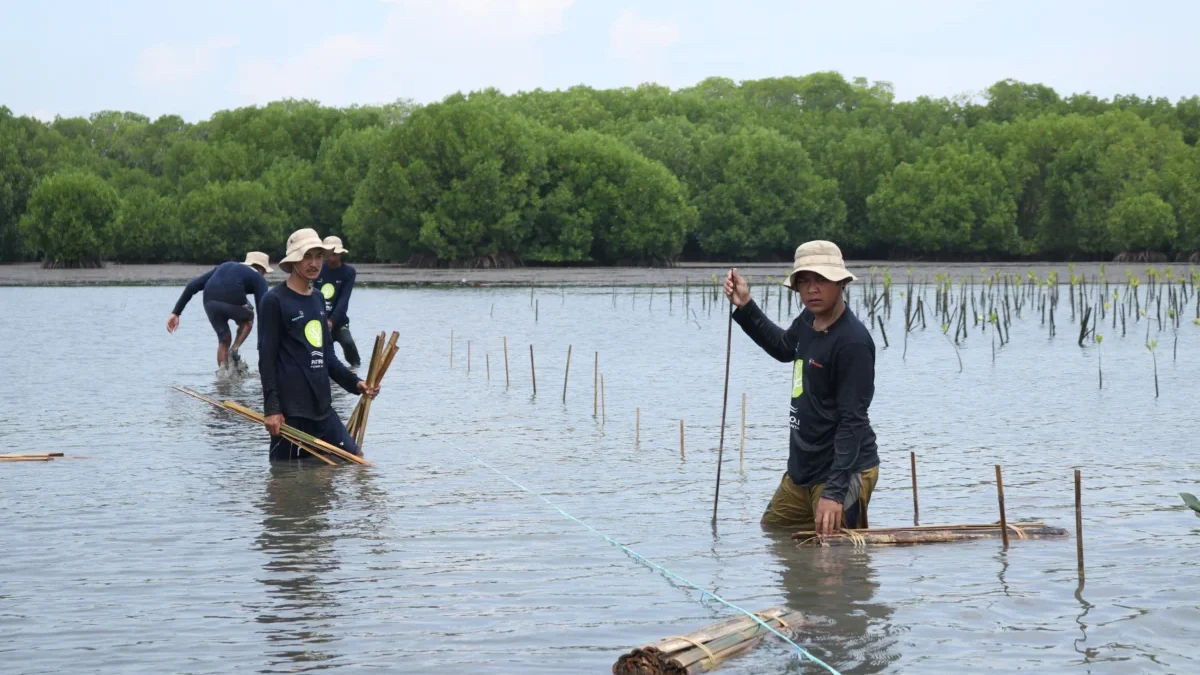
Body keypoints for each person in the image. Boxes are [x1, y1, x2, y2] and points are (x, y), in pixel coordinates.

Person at [723, 240, 880, 535]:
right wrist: (745, 306)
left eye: (821, 280)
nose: (812, 289)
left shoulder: (853, 343)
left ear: (842, 283)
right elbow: (784, 347)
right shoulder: (809, 318)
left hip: (842, 469)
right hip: (804, 467)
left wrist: (834, 492)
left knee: (836, 562)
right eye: (804, 281)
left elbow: (852, 421)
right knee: (774, 531)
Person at [257, 228, 378, 461]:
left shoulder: (318, 298)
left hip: (322, 409)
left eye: (318, 256)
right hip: (290, 414)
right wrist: (272, 409)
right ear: (294, 261)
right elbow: (267, 357)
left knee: (357, 462)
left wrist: (356, 383)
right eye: (307, 257)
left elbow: (328, 357)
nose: (314, 263)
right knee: (284, 481)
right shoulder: (274, 300)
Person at [167, 252, 272, 368]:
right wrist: (263, 346)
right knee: (249, 316)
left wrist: (176, 313)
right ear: (261, 269)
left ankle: (223, 379)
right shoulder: (259, 278)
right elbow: (263, 311)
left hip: (209, 302)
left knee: (224, 339)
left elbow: (192, 286)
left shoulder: (224, 266)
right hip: (232, 300)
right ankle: (234, 350)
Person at [314, 236, 360, 367]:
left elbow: (343, 300)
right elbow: (313, 296)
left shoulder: (348, 272)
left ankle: (356, 370)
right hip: (319, 321)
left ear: (340, 254)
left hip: (338, 322)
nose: (332, 257)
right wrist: (322, 319)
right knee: (318, 356)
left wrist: (332, 320)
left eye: (335, 254)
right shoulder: (318, 269)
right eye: (329, 254)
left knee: (348, 343)